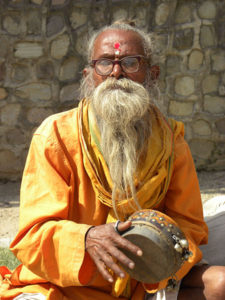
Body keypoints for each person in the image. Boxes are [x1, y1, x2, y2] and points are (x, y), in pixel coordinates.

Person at [1, 21, 225, 300]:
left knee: (220, 283)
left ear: (152, 75)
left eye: (131, 62)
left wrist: (152, 249)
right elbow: (32, 237)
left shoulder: (171, 141)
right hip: (64, 288)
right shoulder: (55, 135)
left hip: (145, 281)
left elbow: (189, 225)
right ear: (88, 75)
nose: (117, 72)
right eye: (105, 63)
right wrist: (87, 238)